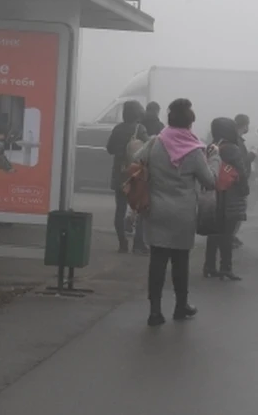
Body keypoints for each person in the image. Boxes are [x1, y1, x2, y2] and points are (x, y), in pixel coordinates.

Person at [134, 98, 216, 327]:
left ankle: (154, 311)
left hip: (157, 210)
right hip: (182, 213)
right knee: (180, 261)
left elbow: (136, 159)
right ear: (189, 124)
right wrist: (215, 158)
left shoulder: (155, 142)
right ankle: (181, 306)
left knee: (157, 261)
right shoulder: (194, 150)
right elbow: (209, 181)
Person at [203, 117, 249, 280]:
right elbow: (241, 172)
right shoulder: (233, 149)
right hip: (230, 194)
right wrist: (245, 190)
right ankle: (225, 267)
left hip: (214, 194)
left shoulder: (211, 147)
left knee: (214, 231)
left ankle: (209, 266)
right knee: (227, 233)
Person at [105, 101, 148, 254]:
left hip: (120, 175)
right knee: (141, 209)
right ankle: (138, 243)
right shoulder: (140, 129)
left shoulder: (117, 129)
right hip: (135, 175)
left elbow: (109, 149)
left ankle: (122, 244)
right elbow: (148, 148)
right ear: (137, 113)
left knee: (120, 209)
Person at [231, 114, 256, 249]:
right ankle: (230, 236)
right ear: (245, 125)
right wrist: (253, 154)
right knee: (239, 210)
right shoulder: (238, 141)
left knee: (235, 210)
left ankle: (230, 235)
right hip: (239, 180)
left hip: (233, 180)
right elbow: (242, 161)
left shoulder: (233, 139)